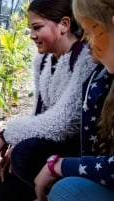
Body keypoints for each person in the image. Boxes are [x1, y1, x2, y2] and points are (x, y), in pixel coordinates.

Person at [0, 0, 97, 200]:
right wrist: (14, 144)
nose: (32, 35)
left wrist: (8, 134)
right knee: (4, 183)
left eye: (37, 27)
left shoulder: (85, 57)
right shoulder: (42, 61)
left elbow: (63, 122)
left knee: (25, 154)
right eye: (31, 29)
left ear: (64, 25)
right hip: (53, 142)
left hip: (80, 148)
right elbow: (39, 114)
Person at [34, 1, 114, 201]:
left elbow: (61, 121)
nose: (86, 39)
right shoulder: (100, 78)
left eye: (90, 31)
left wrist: (60, 165)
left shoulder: (83, 62)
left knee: (66, 190)